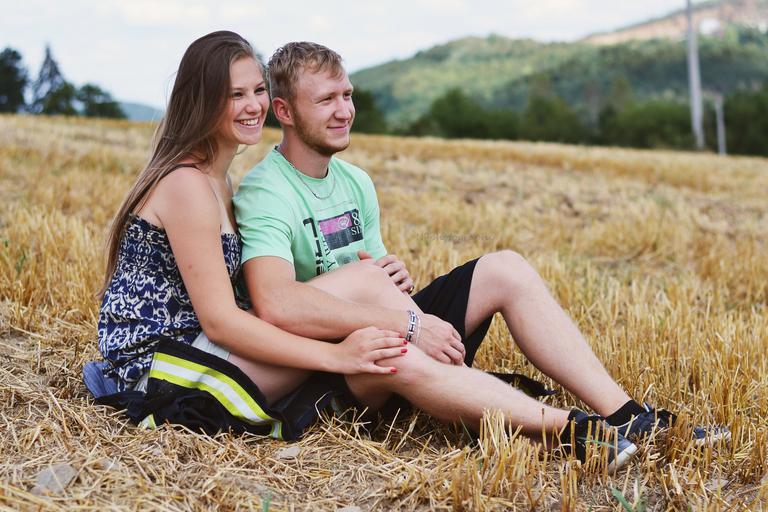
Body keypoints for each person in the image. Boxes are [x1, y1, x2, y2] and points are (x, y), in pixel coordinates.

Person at [232, 42, 729, 457]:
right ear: (285, 111)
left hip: (388, 323)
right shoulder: (266, 191)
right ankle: (563, 428)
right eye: (326, 100)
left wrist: (392, 277)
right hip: (337, 361)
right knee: (399, 339)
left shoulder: (355, 181)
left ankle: (628, 416)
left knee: (505, 268)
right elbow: (277, 305)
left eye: (347, 94)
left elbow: (372, 271)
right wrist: (407, 323)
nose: (344, 111)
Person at [90, 31, 410, 440]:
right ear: (202, 101)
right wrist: (335, 355)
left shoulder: (218, 180)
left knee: (342, 306)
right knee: (343, 317)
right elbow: (221, 323)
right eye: (235, 95)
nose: (255, 105)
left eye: (258, 90)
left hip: (195, 350)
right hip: (160, 375)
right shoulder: (186, 184)